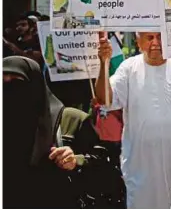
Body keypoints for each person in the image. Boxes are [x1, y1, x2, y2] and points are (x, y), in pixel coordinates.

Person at [95, 32, 171, 208]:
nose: (156, 43)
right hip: (141, 174)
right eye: (149, 38)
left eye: (160, 37)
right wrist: (104, 63)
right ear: (138, 42)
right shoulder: (128, 68)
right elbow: (105, 99)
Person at [3, 56, 104, 208]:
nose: (9, 90)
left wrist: (76, 160)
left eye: (17, 82)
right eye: (3, 84)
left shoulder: (71, 120)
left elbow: (105, 166)